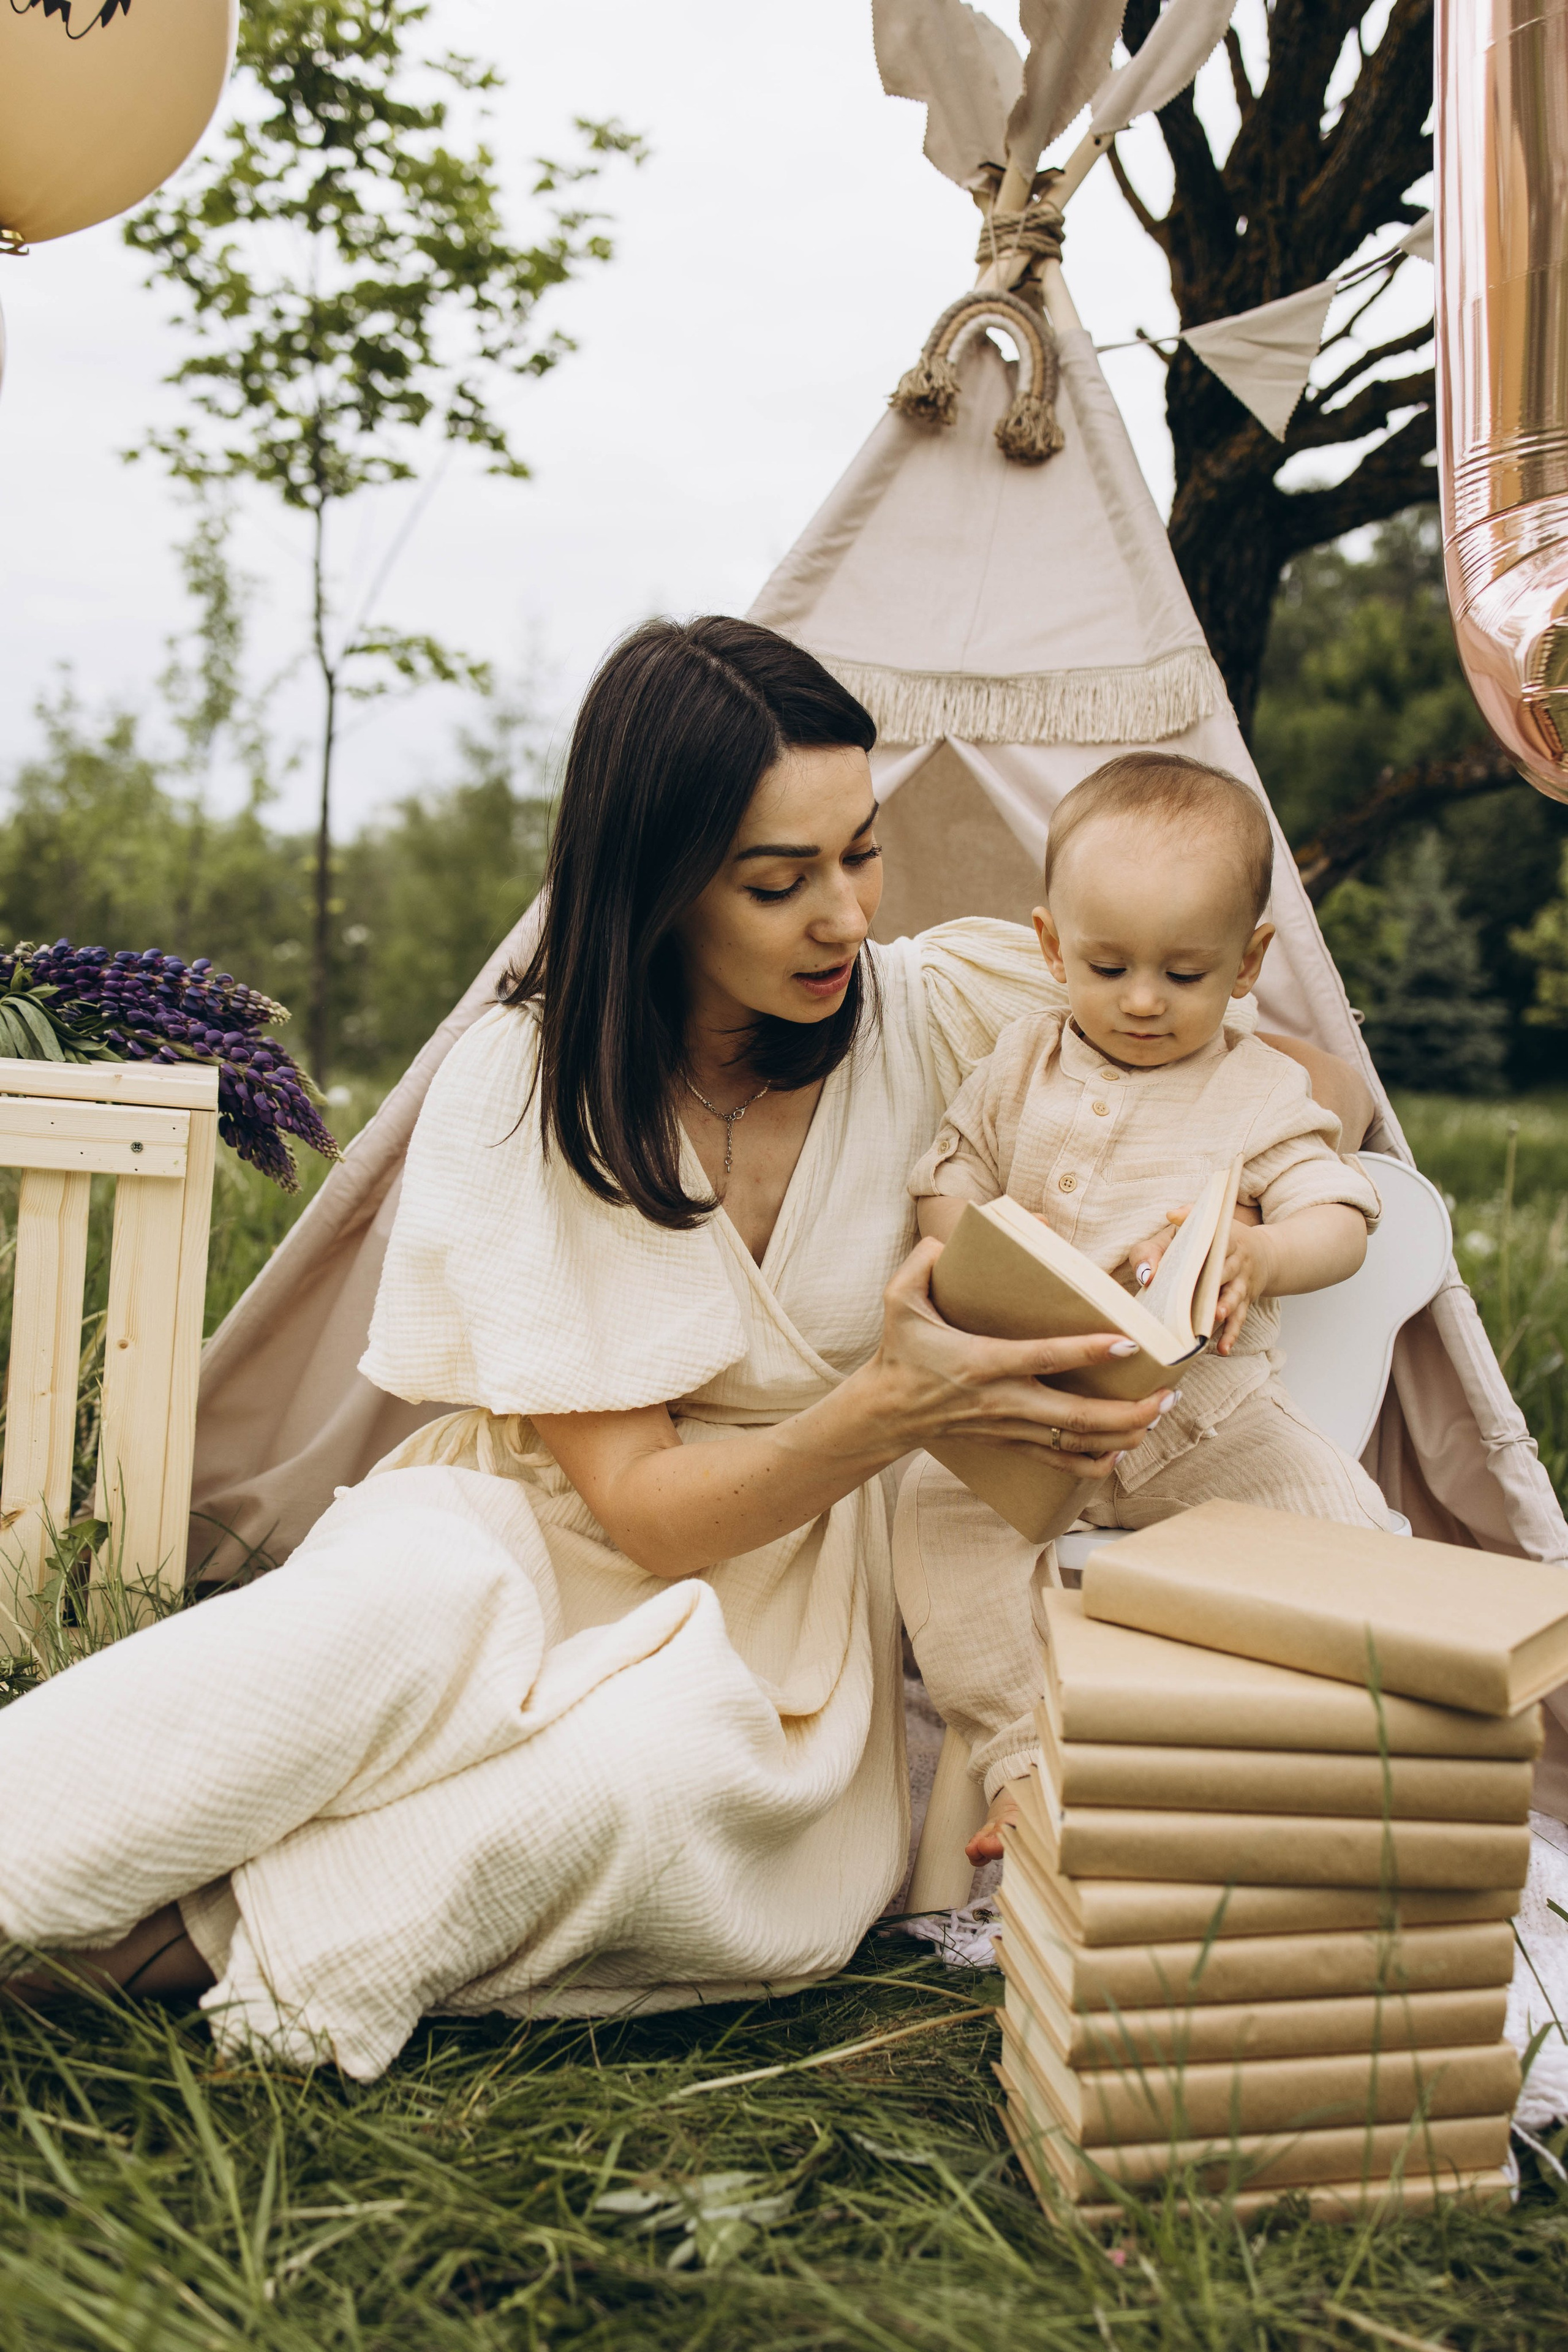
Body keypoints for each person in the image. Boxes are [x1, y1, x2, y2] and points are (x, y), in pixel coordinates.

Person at [0, 625, 1374, 2075]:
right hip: (545, 1515)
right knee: (354, 1634)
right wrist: (896, 1402)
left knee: (634, 1780)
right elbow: (639, 1513)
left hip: (789, 1612)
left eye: (862, 853)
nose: (842, 918)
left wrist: (1187, 1222)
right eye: (778, 883)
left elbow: (1303, 1082)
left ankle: (161, 1955)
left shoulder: (952, 1005)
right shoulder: (523, 1086)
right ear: (656, 884)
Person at [897, 750, 1394, 1868]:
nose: (1140, 1000)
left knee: (1339, 1527)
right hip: (1034, 1416)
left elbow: (1342, 1216)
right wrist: (967, 1246)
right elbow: (949, 1172)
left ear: (1249, 962)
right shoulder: (1017, 1063)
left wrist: (1261, 1252)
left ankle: (1351, 1755)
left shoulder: (1259, 1085)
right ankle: (1023, 1759)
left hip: (1207, 1422)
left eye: (1184, 972)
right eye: (1106, 964)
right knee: (934, 1518)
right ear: (1049, 946)